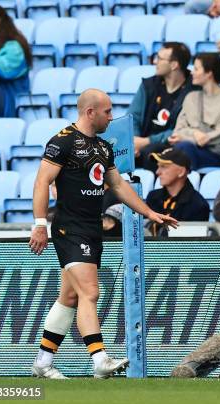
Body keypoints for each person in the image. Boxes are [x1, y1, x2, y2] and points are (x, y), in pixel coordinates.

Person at [29, 89, 177, 379]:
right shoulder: (62, 142)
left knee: (69, 297)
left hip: (91, 229)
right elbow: (42, 181)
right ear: (90, 112)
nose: (112, 117)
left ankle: (42, 363)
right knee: (90, 292)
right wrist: (39, 224)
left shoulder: (103, 147)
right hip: (68, 228)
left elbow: (119, 186)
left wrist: (149, 213)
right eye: (107, 112)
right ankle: (100, 359)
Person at [129, 42, 197, 171]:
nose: (155, 62)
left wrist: (147, 141)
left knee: (151, 154)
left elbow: (185, 129)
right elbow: (133, 118)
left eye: (160, 59)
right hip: (140, 143)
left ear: (174, 65)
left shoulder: (193, 90)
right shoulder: (148, 85)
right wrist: (134, 143)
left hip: (172, 144)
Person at [169, 53, 220, 169]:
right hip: (187, 148)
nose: (192, 72)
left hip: (215, 154)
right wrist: (195, 134)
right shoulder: (191, 97)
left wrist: (189, 137)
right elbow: (178, 131)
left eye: (196, 69)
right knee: (158, 151)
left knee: (183, 149)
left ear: (209, 73)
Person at [146, 148, 210, 236]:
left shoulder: (198, 205)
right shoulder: (152, 197)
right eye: (158, 166)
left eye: (164, 167)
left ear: (181, 171)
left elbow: (191, 245)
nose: (157, 172)